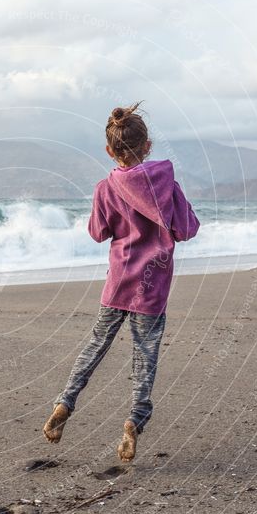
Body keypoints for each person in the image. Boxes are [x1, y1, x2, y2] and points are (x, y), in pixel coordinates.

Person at [42, 102, 200, 462]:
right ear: (148, 146)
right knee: (145, 356)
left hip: (118, 282)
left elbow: (98, 233)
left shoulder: (105, 188)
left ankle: (65, 402)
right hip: (153, 286)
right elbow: (187, 229)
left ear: (110, 151)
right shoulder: (168, 184)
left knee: (95, 345)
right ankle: (134, 421)